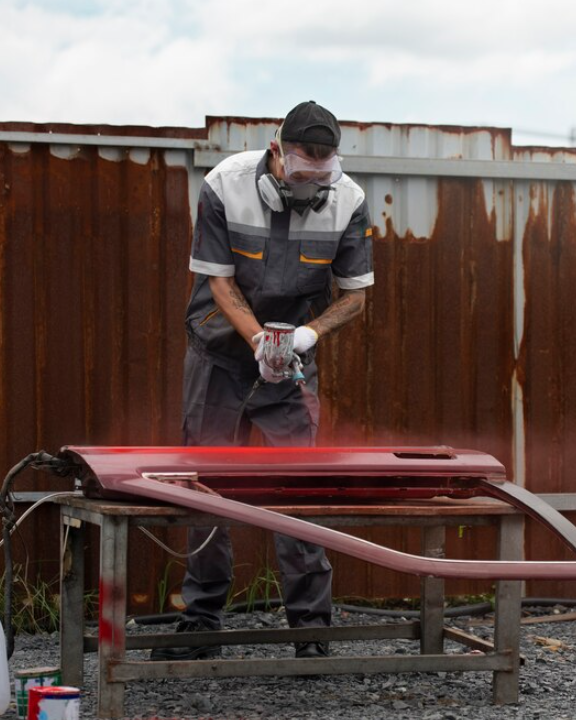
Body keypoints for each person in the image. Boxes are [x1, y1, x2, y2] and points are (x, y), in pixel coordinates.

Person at [150, 101, 373, 661]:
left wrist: (305, 337)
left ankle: (310, 631)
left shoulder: (348, 200)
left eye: (321, 174)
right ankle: (201, 623)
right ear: (277, 151)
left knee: (298, 490)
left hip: (291, 366)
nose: (309, 184)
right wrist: (258, 342)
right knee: (205, 487)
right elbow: (220, 284)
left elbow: (355, 296)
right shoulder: (224, 185)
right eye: (300, 172)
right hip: (219, 357)